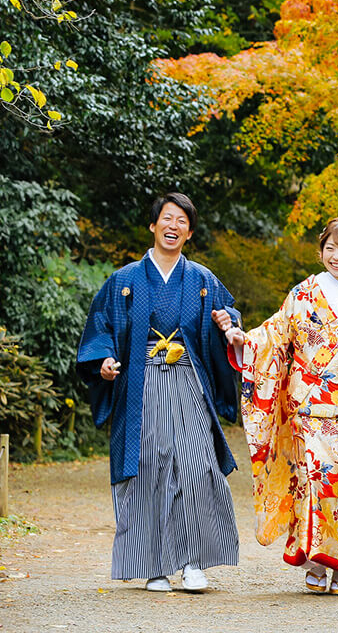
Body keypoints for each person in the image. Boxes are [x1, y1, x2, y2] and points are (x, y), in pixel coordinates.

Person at [215, 217, 338, 595]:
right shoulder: (304, 292)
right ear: (321, 250)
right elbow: (275, 335)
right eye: (330, 248)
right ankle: (314, 559)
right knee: (316, 476)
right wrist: (245, 340)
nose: (336, 256)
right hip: (308, 404)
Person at [76, 192, 242, 592]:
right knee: (149, 464)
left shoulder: (203, 280)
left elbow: (229, 318)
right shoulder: (125, 280)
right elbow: (100, 329)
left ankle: (192, 562)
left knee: (198, 464)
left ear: (189, 231)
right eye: (166, 218)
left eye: (181, 221)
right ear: (153, 226)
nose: (173, 226)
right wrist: (104, 361)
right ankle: (154, 566)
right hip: (141, 380)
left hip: (187, 379)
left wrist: (229, 323)